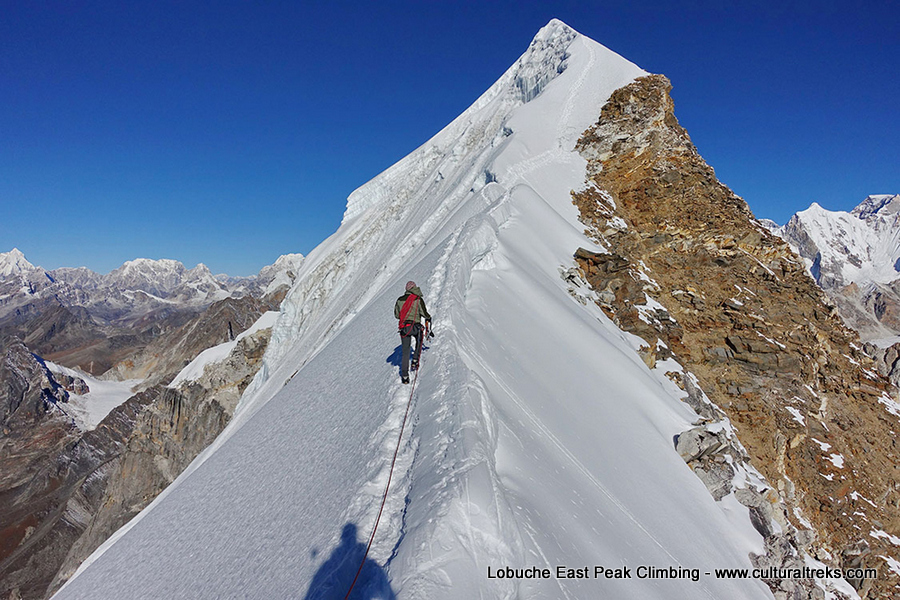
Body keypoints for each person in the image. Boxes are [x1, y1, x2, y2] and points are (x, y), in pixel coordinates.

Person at [394, 280, 431, 384]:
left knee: (405, 352)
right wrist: (428, 317)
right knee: (419, 341)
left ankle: (405, 376)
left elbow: (397, 315)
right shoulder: (418, 299)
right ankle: (415, 360)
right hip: (415, 327)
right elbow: (424, 313)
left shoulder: (399, 300)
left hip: (404, 328)